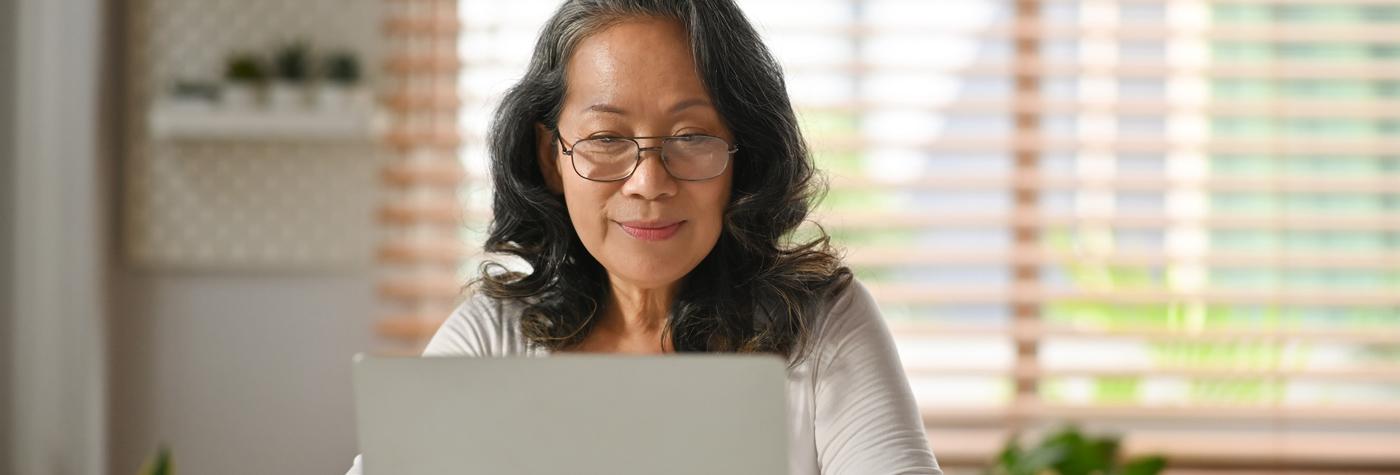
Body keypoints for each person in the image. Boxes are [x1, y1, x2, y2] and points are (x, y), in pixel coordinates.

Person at [347, 0, 939, 473]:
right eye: (606, 139)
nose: (649, 183)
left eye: (691, 136)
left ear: (742, 155)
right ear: (552, 158)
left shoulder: (823, 325)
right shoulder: (492, 336)